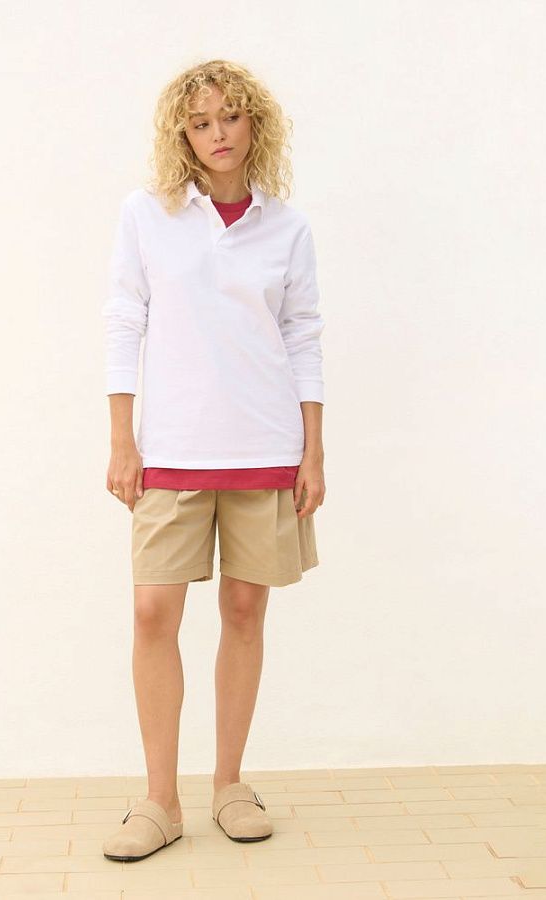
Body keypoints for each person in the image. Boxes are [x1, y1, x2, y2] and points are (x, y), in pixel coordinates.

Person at [101, 58, 326, 862]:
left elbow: (302, 335)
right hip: (171, 447)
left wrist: (313, 449)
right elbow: (124, 319)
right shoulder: (146, 214)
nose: (217, 133)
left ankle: (229, 784)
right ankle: (159, 801)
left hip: (265, 445)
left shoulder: (287, 227)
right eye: (199, 123)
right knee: (151, 613)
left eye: (230, 116)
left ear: (254, 122)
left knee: (243, 612)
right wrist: (121, 437)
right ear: (182, 135)